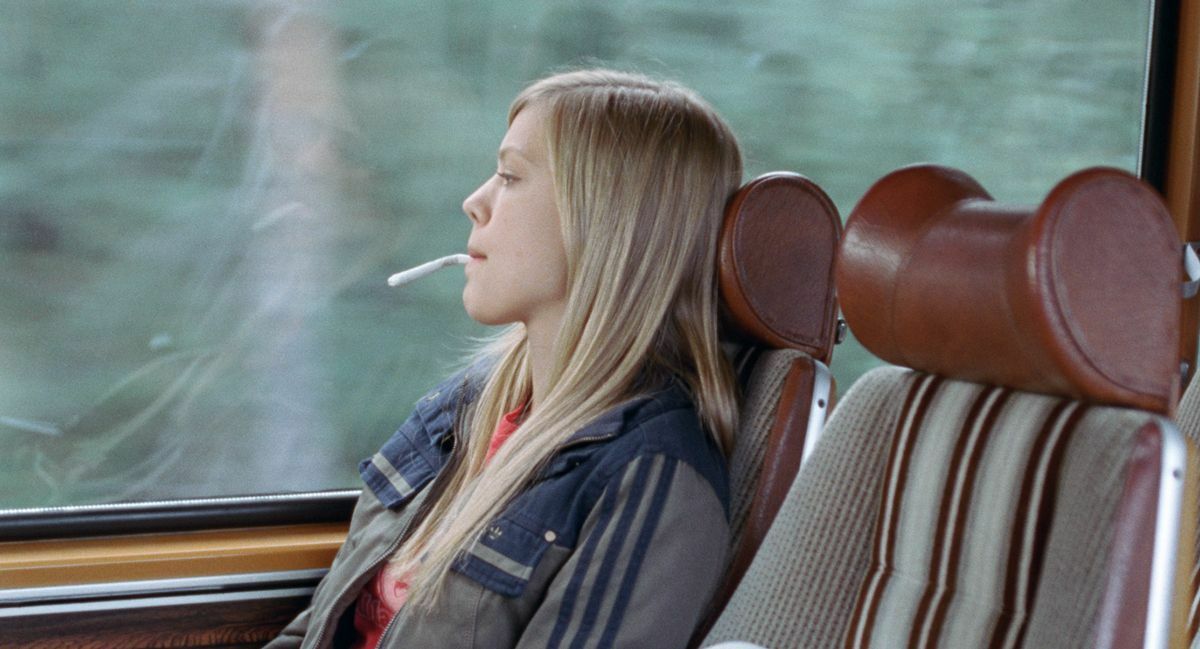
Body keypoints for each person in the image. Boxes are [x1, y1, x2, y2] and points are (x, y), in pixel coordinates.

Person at [266, 68, 744, 649]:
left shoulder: (652, 482)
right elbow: (321, 626)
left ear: (604, 222)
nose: (474, 203)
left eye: (510, 177)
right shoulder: (464, 407)